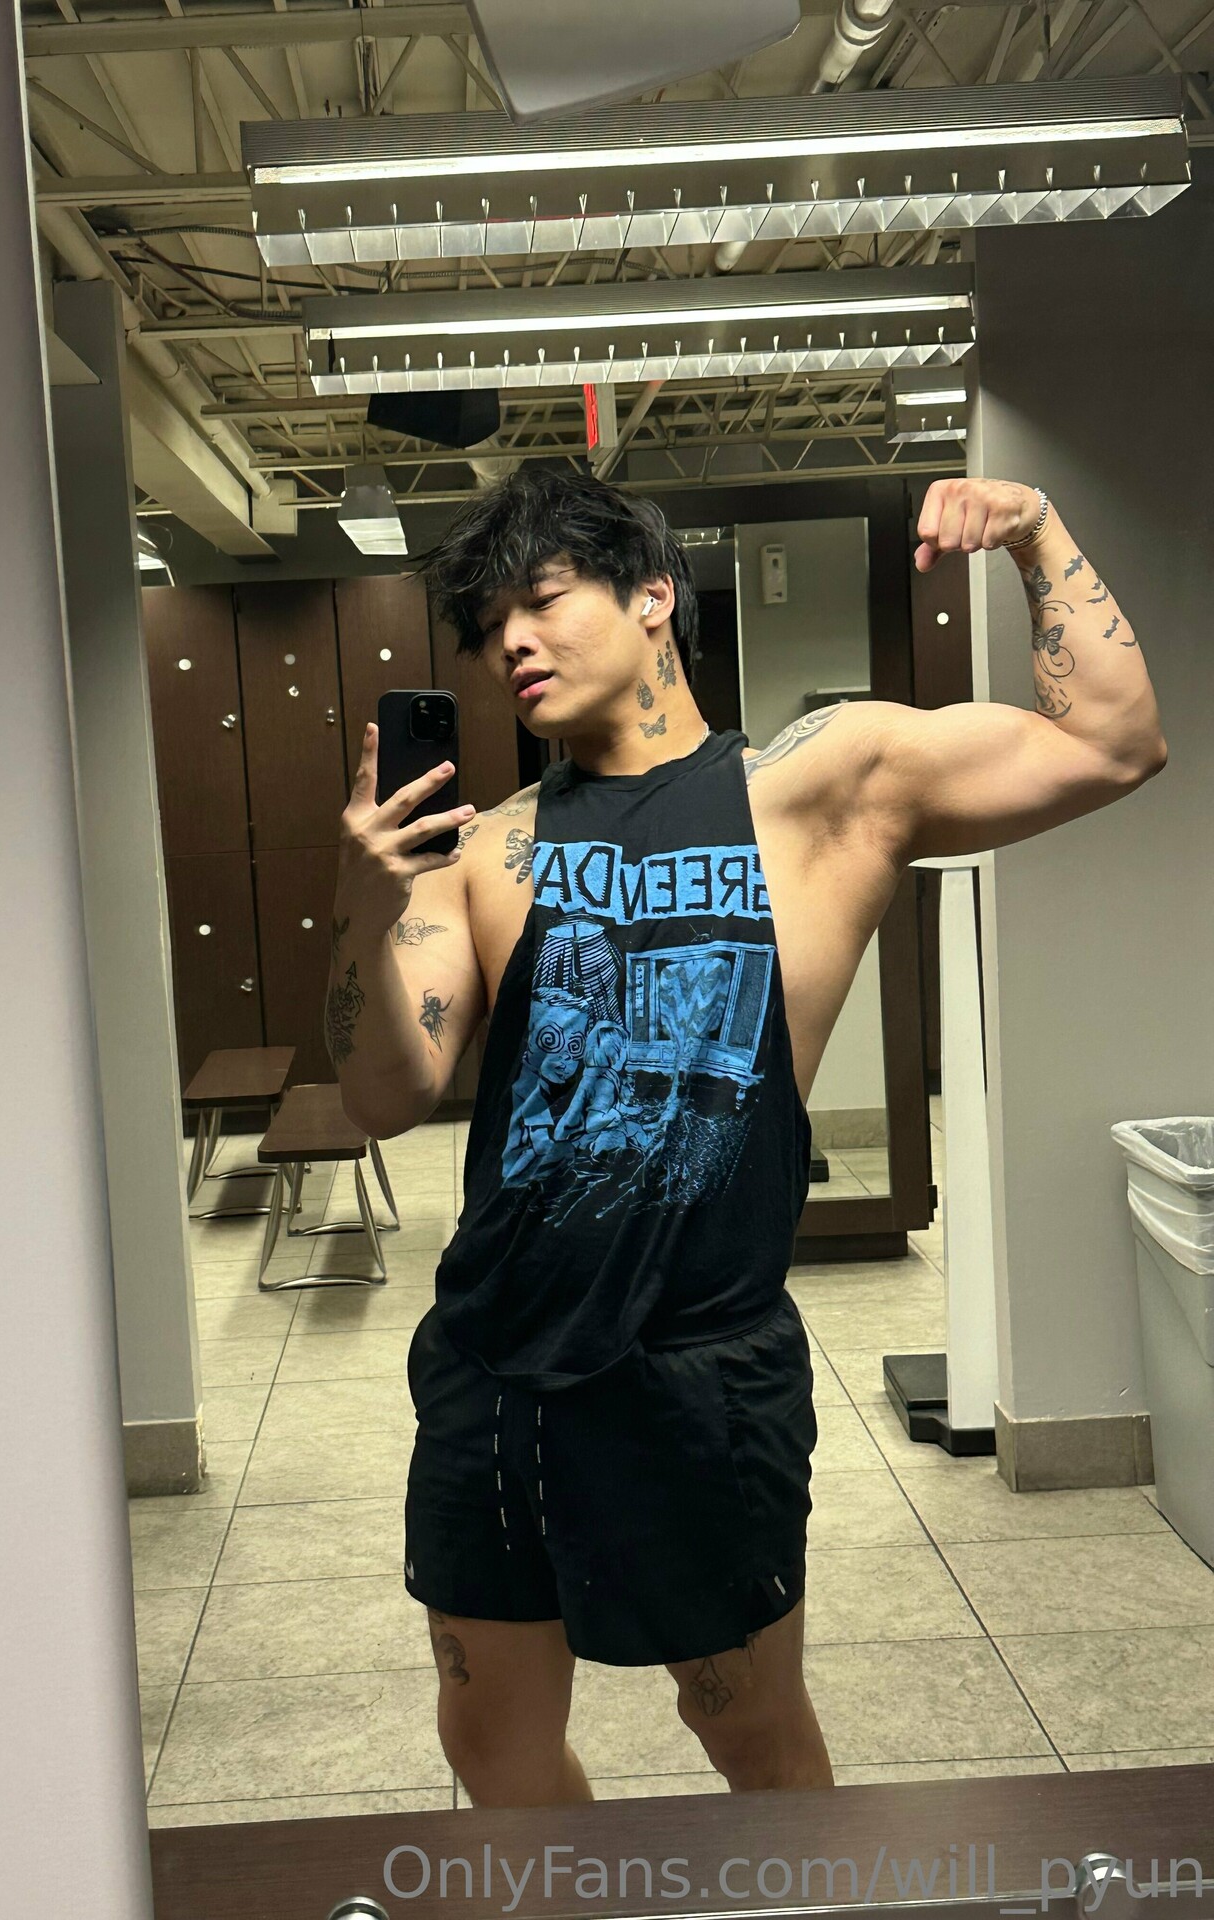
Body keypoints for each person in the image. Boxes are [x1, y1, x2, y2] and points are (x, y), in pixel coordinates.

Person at [325, 467, 1166, 1805]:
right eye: (488, 630)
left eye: (542, 600)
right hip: (494, 1363)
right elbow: (384, 1096)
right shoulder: (487, 852)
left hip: (699, 1374)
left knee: (752, 1737)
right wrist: (364, 912)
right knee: (489, 1741)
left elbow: (1116, 744)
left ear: (653, 597)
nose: (512, 644)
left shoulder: (822, 788)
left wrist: (1036, 531)